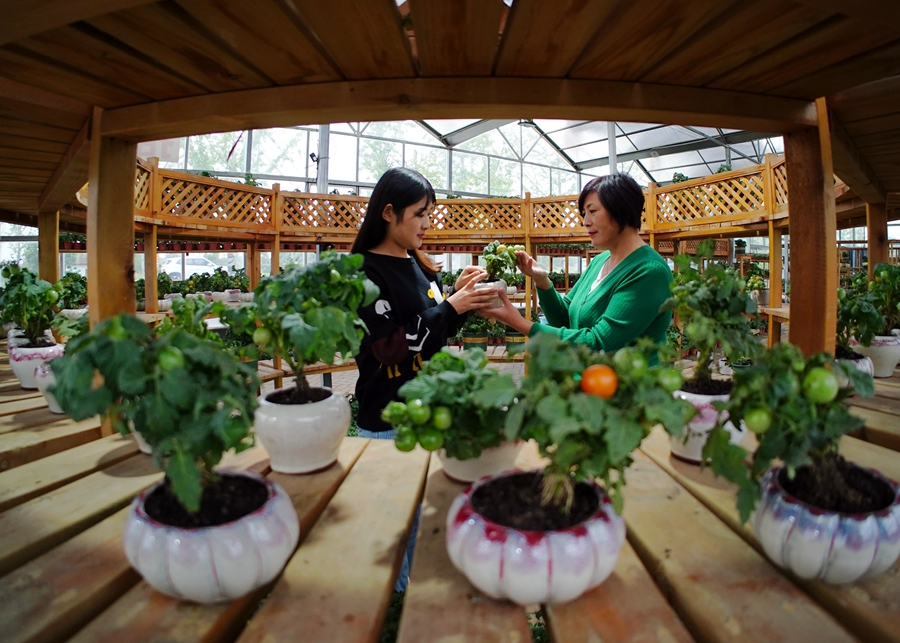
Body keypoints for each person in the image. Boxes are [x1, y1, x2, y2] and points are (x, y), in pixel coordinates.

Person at [350, 167, 495, 591]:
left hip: (426, 415)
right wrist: (452, 306)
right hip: (389, 423)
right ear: (388, 213)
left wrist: (458, 298)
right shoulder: (364, 273)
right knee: (395, 530)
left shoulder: (417, 264)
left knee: (425, 518)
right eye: (420, 213)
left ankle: (419, 601)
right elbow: (393, 346)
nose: (428, 223)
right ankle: (394, 610)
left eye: (429, 213)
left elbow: (429, 333)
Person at [481, 173, 672, 353]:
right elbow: (565, 318)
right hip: (589, 383)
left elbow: (598, 342)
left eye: (593, 211)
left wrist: (520, 323)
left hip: (627, 386)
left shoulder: (648, 271)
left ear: (621, 209)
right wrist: (542, 281)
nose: (586, 221)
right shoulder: (600, 261)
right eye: (583, 214)